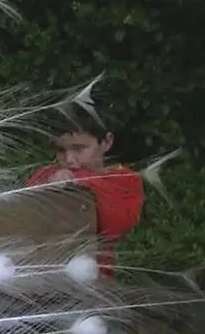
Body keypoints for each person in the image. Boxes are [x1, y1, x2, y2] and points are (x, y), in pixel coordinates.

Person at [24, 109, 143, 278]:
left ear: (107, 142)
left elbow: (115, 227)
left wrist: (80, 180)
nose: (69, 159)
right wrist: (47, 184)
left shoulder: (125, 180)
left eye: (78, 149)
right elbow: (25, 210)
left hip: (94, 279)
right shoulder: (46, 174)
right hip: (42, 275)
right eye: (60, 150)